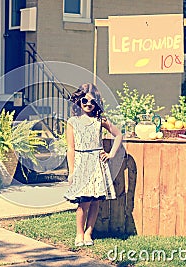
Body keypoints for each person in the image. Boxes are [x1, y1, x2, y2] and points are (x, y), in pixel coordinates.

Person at [64, 83, 123, 247]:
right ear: (79, 101)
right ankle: (79, 234)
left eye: (92, 102)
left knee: (95, 201)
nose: (88, 104)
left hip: (97, 164)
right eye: (85, 101)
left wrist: (110, 154)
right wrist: (71, 171)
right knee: (83, 202)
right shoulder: (73, 122)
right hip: (82, 163)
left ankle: (89, 232)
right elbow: (71, 148)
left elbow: (118, 135)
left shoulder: (100, 120)